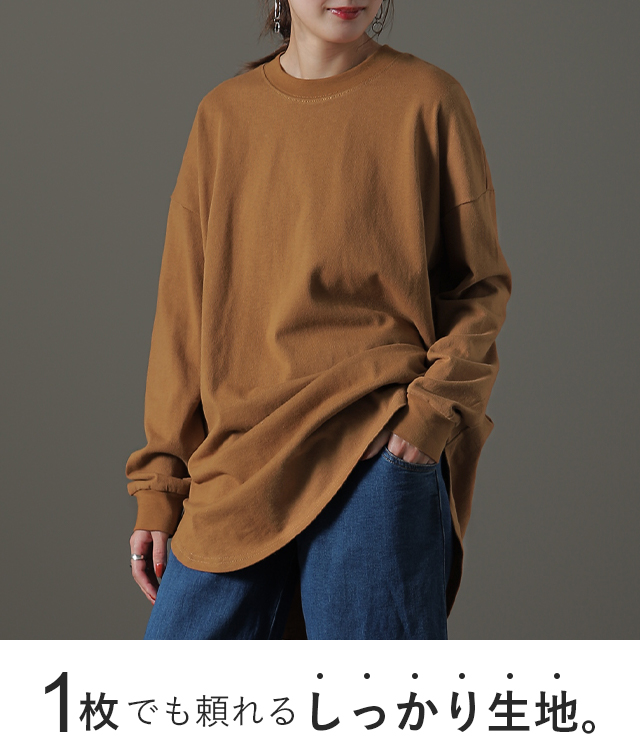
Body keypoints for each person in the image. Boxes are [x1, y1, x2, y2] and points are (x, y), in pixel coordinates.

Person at [125, 0, 512, 640]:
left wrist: (426, 421)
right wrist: (160, 484)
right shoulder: (224, 116)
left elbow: (478, 286)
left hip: (373, 448)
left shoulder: (428, 99)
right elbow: (182, 317)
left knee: (371, 700)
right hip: (238, 465)